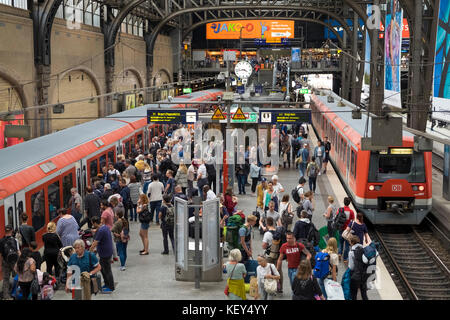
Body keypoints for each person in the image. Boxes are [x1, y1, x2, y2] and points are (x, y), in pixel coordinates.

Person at [90, 216, 115, 293]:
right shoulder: (105, 227)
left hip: (105, 253)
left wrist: (89, 251)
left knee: (107, 270)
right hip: (106, 252)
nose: (92, 225)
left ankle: (111, 286)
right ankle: (107, 284)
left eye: (92, 224)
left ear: (94, 223)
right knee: (102, 269)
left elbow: (95, 243)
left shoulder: (101, 230)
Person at [0, 225, 20, 299]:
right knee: (17, 277)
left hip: (5, 261)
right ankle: (16, 293)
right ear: (11, 231)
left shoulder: (1, 241)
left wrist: (0, 264)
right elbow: (18, 252)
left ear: (5, 231)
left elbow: (1, 254)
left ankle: (6, 295)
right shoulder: (15, 240)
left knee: (6, 279)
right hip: (14, 262)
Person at [348, 235, 368, 300]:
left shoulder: (351, 252)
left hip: (355, 276)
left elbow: (351, 267)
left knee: (354, 293)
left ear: (351, 242)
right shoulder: (363, 249)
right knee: (364, 293)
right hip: (364, 275)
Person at [339, 197, 355, 263]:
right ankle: (345, 258)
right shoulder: (351, 212)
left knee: (340, 242)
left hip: (341, 228)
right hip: (347, 230)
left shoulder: (340, 210)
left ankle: (339, 253)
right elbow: (353, 221)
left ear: (344, 202)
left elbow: (337, 216)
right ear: (349, 203)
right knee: (347, 245)